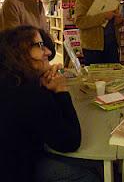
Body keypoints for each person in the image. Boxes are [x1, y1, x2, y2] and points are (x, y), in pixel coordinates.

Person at [0, 25, 100, 182]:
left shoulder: (13, 80)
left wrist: (45, 81)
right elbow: (70, 141)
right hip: (19, 171)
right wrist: (61, 90)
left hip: (11, 161)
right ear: (20, 52)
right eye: (39, 46)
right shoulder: (30, 93)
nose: (47, 52)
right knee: (89, 175)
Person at [75, 0, 123, 65]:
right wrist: (103, 16)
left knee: (115, 76)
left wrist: (118, 20)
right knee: (96, 78)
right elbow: (80, 22)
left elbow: (115, 18)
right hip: (93, 47)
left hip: (112, 44)